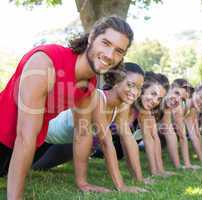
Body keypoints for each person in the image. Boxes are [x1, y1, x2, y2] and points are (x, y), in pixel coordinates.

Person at [0, 16, 133, 199]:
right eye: (106, 43)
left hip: (31, 144)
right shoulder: (45, 63)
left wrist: (83, 182)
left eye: (118, 51)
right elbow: (24, 136)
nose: (110, 55)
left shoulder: (90, 84)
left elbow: (83, 133)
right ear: (92, 37)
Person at [31, 62, 147, 192]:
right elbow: (106, 143)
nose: (135, 92)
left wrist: (139, 178)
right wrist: (121, 186)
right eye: (130, 85)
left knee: (36, 167)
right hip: (37, 131)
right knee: (7, 170)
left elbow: (128, 139)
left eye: (139, 87)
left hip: (58, 142)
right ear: (116, 82)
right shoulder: (97, 98)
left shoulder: (122, 106)